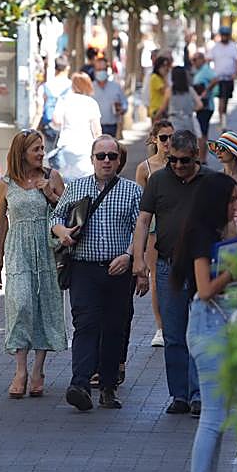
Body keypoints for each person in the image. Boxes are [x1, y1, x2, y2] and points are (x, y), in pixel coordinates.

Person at [175, 171, 237, 472]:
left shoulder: (217, 231)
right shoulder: (201, 236)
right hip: (208, 327)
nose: (236, 205)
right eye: (232, 199)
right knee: (213, 419)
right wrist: (234, 271)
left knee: (219, 420)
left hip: (218, 324)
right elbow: (205, 289)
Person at [52, 135, 145, 411]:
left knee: (115, 328)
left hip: (118, 271)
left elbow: (141, 230)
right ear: (92, 159)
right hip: (84, 268)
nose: (106, 161)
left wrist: (130, 258)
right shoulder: (77, 187)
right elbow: (56, 217)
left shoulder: (131, 191)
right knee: (85, 324)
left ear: (119, 160)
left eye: (111, 156)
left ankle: (107, 387)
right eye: (101, 156)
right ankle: (80, 383)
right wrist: (63, 232)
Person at [0, 130, 66, 399]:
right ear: (21, 152)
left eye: (42, 149)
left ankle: (38, 370)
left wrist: (51, 195)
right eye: (36, 149)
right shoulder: (6, 183)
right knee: (20, 303)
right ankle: (20, 370)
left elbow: (67, 212)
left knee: (44, 307)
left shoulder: (52, 177)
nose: (41, 154)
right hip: (18, 250)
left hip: (46, 250)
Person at [132, 130, 204, 414]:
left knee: (198, 333)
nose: (177, 166)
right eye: (173, 160)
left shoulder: (209, 182)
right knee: (173, 334)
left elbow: (226, 224)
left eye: (184, 161)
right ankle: (180, 395)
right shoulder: (158, 180)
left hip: (201, 266)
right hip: (167, 266)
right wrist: (139, 259)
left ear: (195, 156)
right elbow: (143, 220)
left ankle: (198, 394)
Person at [136, 119, 174, 348]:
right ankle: (160, 327)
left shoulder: (181, 163)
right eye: (163, 138)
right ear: (154, 139)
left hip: (177, 226)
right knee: (156, 277)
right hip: (154, 229)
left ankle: (177, 323)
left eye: (171, 137)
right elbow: (141, 207)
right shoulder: (145, 168)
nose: (168, 142)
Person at [52, 72, 102, 180]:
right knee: (86, 181)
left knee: (66, 181)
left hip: (66, 146)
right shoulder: (91, 103)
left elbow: (56, 120)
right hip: (85, 148)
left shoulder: (64, 100)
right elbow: (97, 131)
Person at [159, 65, 203, 139]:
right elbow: (200, 105)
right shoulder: (190, 90)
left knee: (175, 146)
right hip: (188, 121)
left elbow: (163, 108)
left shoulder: (169, 91)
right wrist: (190, 109)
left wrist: (157, 115)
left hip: (174, 122)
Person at [210, 27, 237, 127]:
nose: (224, 37)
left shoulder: (233, 46)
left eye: (226, 35)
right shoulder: (216, 47)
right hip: (219, 78)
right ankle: (222, 121)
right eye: (223, 35)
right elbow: (209, 59)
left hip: (229, 77)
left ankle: (223, 119)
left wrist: (235, 73)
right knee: (221, 99)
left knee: (226, 99)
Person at [38, 54, 71, 153]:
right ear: (67, 68)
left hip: (49, 128)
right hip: (67, 127)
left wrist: (34, 128)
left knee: (49, 158)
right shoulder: (73, 87)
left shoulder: (45, 86)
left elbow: (39, 111)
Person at [90, 56, 127, 139]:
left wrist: (122, 108)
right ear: (95, 71)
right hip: (94, 127)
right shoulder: (90, 87)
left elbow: (124, 102)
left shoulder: (116, 87)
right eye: (98, 69)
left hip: (112, 127)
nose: (101, 72)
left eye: (103, 69)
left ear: (107, 70)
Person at [190, 51, 217, 157]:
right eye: (192, 60)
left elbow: (215, 79)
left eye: (195, 60)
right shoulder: (199, 71)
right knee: (201, 133)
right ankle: (202, 157)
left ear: (202, 59)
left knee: (202, 133)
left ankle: (202, 158)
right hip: (201, 105)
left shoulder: (206, 70)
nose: (194, 62)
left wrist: (206, 91)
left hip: (206, 106)